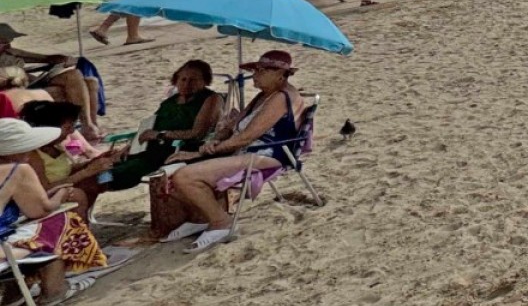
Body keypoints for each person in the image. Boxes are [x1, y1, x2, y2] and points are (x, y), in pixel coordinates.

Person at [161, 50, 307, 253]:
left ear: (280, 74)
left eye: (262, 70)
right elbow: (234, 126)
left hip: (265, 154)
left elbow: (246, 137)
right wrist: (216, 138)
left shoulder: (281, 97)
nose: (255, 75)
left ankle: (221, 223)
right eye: (255, 70)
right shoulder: (263, 95)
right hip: (245, 150)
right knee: (168, 171)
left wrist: (201, 153)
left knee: (185, 177)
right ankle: (204, 217)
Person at [71, 60, 221, 214]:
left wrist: (160, 135)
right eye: (183, 79)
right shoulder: (170, 102)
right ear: (176, 80)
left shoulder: (210, 99)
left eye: (194, 80)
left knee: (101, 178)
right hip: (146, 150)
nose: (187, 84)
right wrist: (129, 147)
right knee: (97, 168)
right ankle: (83, 209)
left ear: (205, 81)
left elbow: (197, 133)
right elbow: (149, 127)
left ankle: (83, 211)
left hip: (171, 153)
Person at [0, 120, 108, 300]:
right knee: (60, 222)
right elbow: (41, 211)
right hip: (4, 253)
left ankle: (15, 293)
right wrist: (62, 194)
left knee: (28, 230)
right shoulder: (17, 171)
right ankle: (54, 291)